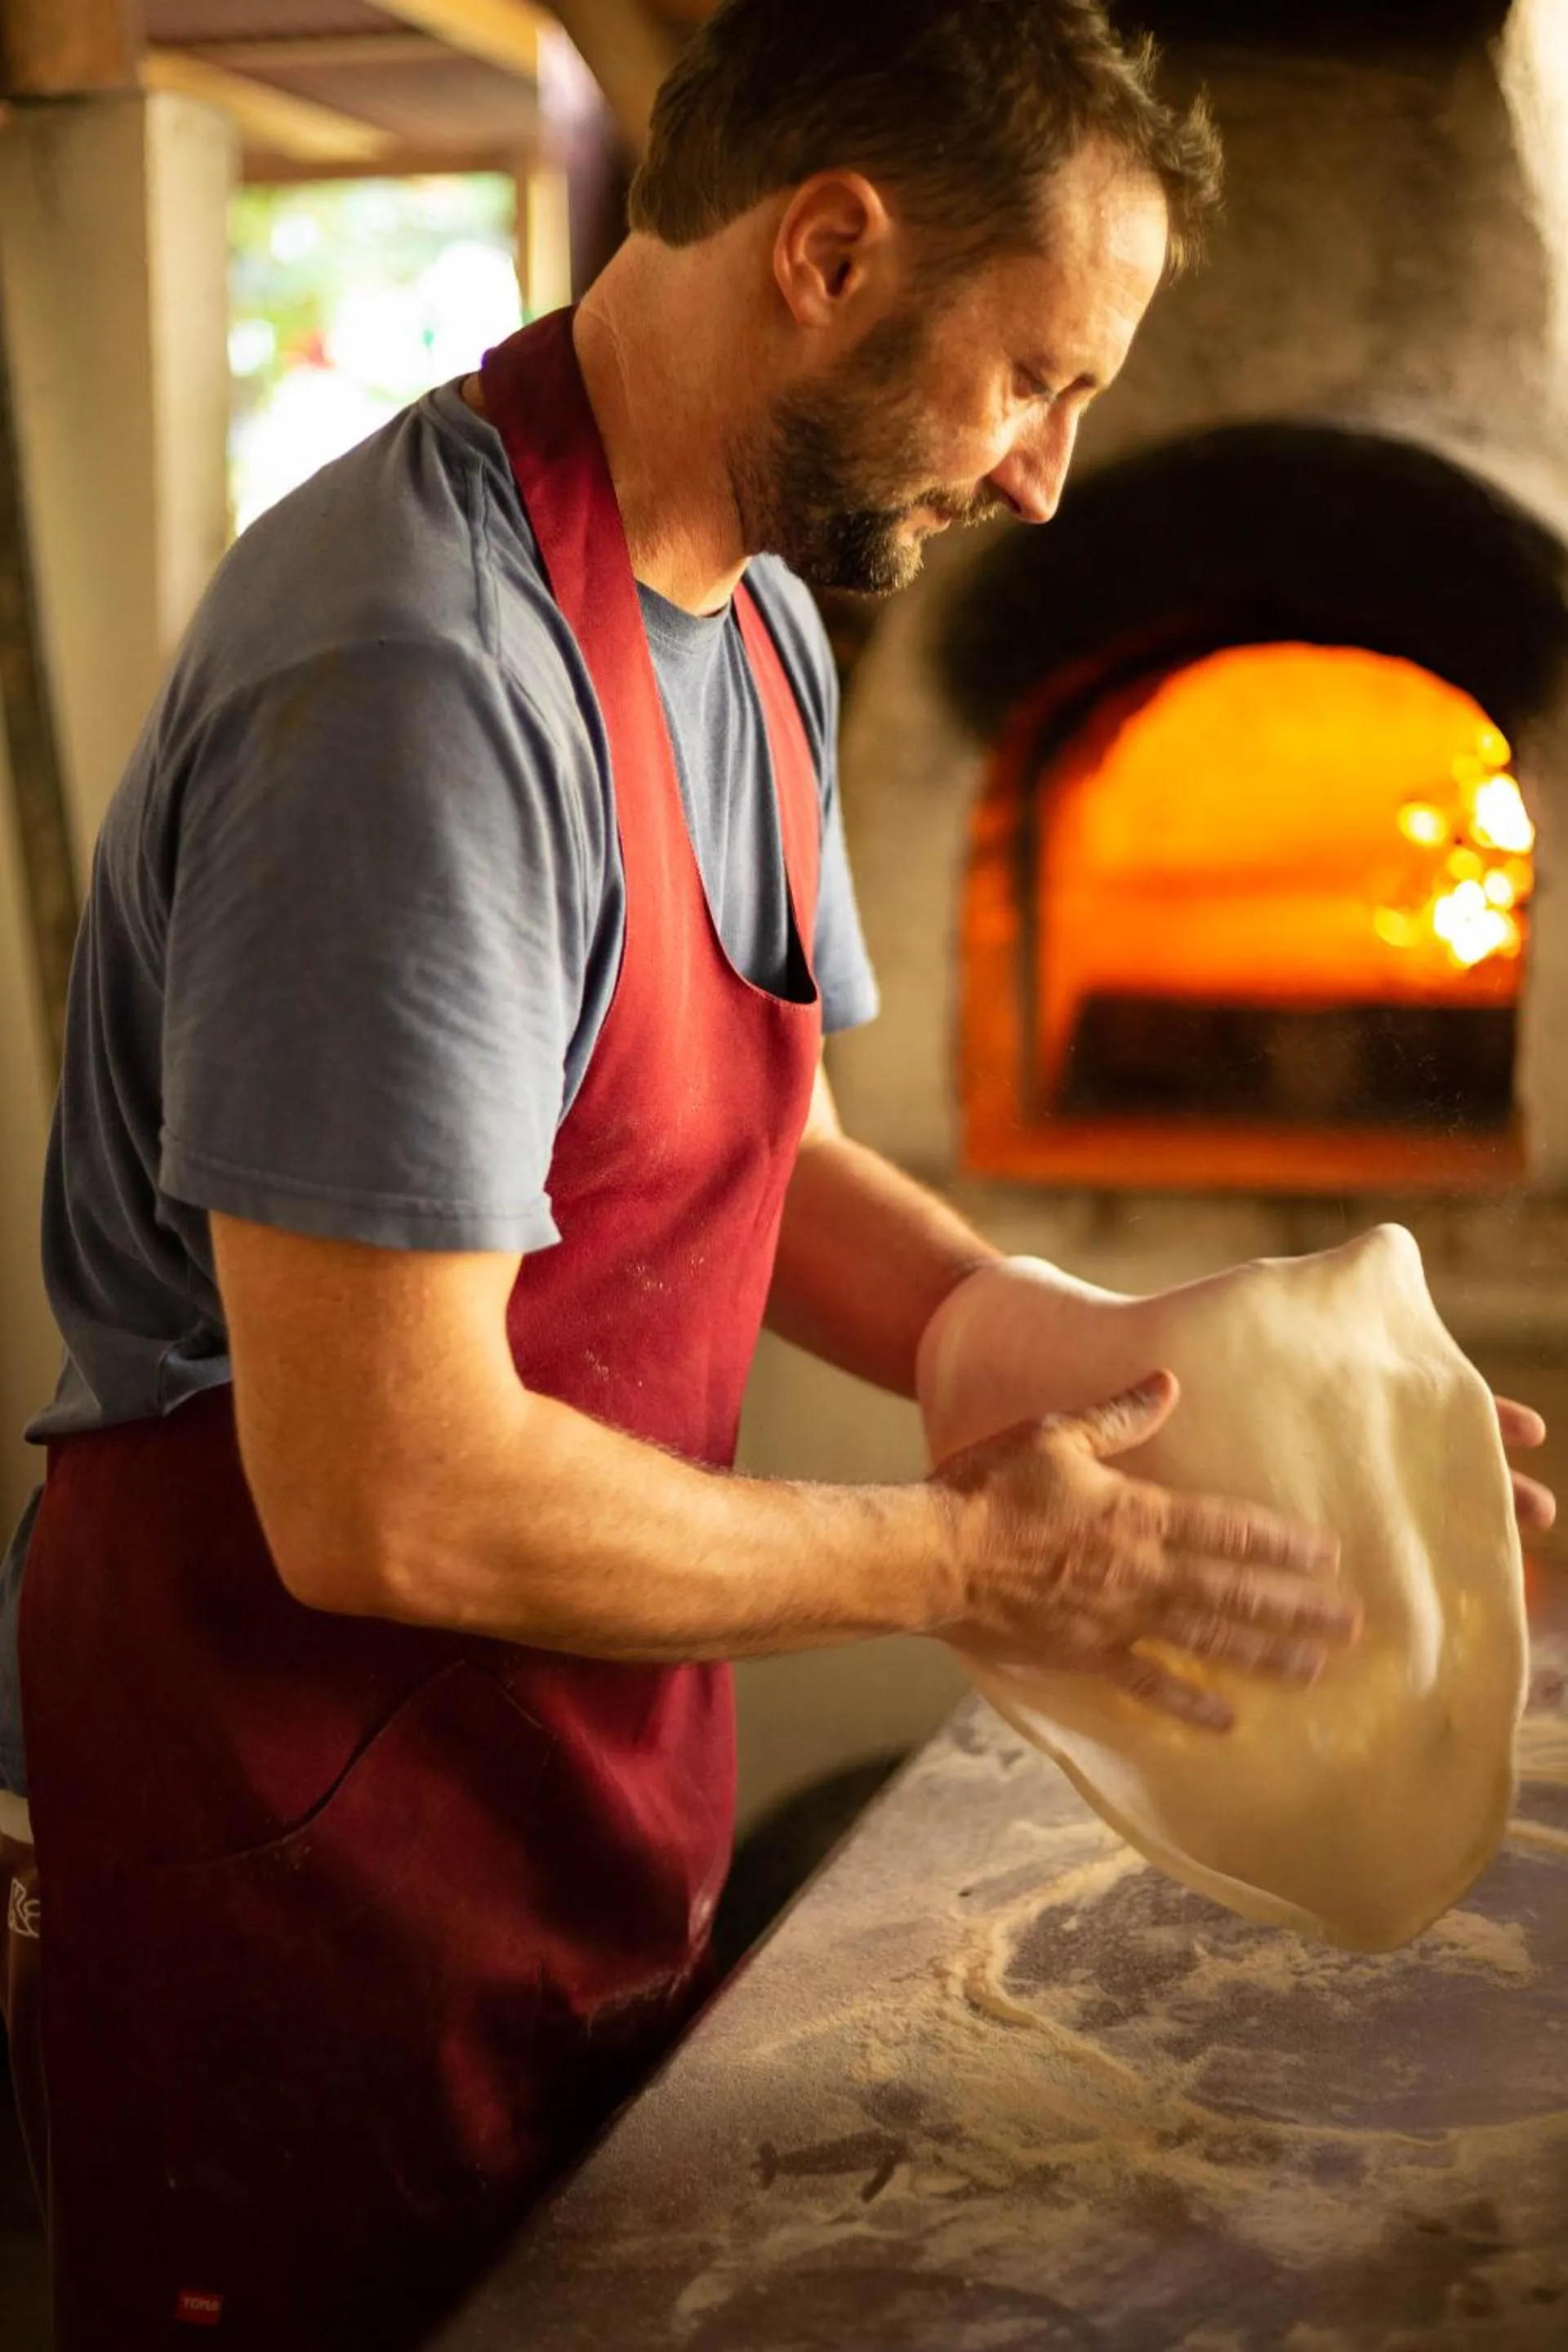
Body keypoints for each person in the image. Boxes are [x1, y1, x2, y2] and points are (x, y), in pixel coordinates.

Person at [0, 1, 1552, 2345]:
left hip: (572, 1768)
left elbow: (751, 1152)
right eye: (1034, 378)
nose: (1049, 478)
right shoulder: (419, 684)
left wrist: (1140, 1373)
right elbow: (380, 1492)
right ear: (829, 253)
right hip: (295, 1817)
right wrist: (968, 1564)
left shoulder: (752, 621)